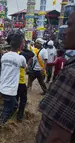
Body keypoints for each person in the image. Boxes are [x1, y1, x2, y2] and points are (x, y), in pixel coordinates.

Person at [36, 12, 75, 143]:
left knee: (45, 79)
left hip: (51, 68)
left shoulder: (71, 74)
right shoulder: (64, 60)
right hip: (52, 68)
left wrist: (46, 66)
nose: (64, 31)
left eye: (69, 25)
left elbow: (58, 137)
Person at [0, 33, 27, 138]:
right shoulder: (21, 58)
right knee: (11, 107)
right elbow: (25, 67)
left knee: (12, 105)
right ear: (21, 46)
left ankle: (1, 118)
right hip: (10, 90)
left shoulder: (4, 56)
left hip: (2, 88)